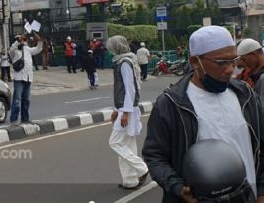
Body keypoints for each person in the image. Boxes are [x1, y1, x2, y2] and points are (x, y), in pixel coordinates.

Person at [143, 26, 264, 202]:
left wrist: (261, 191)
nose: (230, 69)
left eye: (233, 60)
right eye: (221, 62)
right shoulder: (171, 104)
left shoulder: (246, 95)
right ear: (194, 61)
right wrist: (178, 187)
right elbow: (154, 157)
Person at [106, 35, 149, 190]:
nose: (109, 50)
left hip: (128, 109)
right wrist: (116, 110)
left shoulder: (125, 63)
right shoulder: (122, 61)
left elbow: (130, 89)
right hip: (125, 108)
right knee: (128, 144)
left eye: (111, 47)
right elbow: (123, 90)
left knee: (115, 142)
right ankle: (130, 180)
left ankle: (142, 168)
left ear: (117, 47)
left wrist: (125, 112)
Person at [9, 33, 42, 124]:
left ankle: (25, 119)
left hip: (28, 78)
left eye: (23, 40)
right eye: (21, 40)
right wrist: (18, 40)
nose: (23, 42)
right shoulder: (14, 51)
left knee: (26, 100)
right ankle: (14, 119)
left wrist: (39, 41)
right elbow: (12, 49)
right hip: (19, 78)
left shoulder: (27, 49)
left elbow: (37, 49)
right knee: (16, 100)